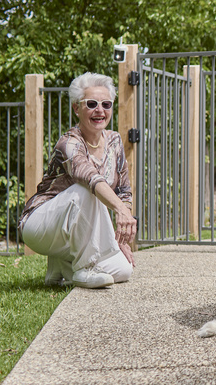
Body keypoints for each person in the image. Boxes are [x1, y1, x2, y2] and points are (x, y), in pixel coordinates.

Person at [20, 72, 137, 289]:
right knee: (85, 190)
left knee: (123, 270)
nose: (100, 110)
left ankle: (62, 265)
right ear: (76, 108)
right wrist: (121, 211)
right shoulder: (69, 142)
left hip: (75, 228)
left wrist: (120, 238)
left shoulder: (114, 141)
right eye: (91, 104)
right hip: (41, 224)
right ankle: (83, 269)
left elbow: (124, 192)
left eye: (106, 104)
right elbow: (89, 177)